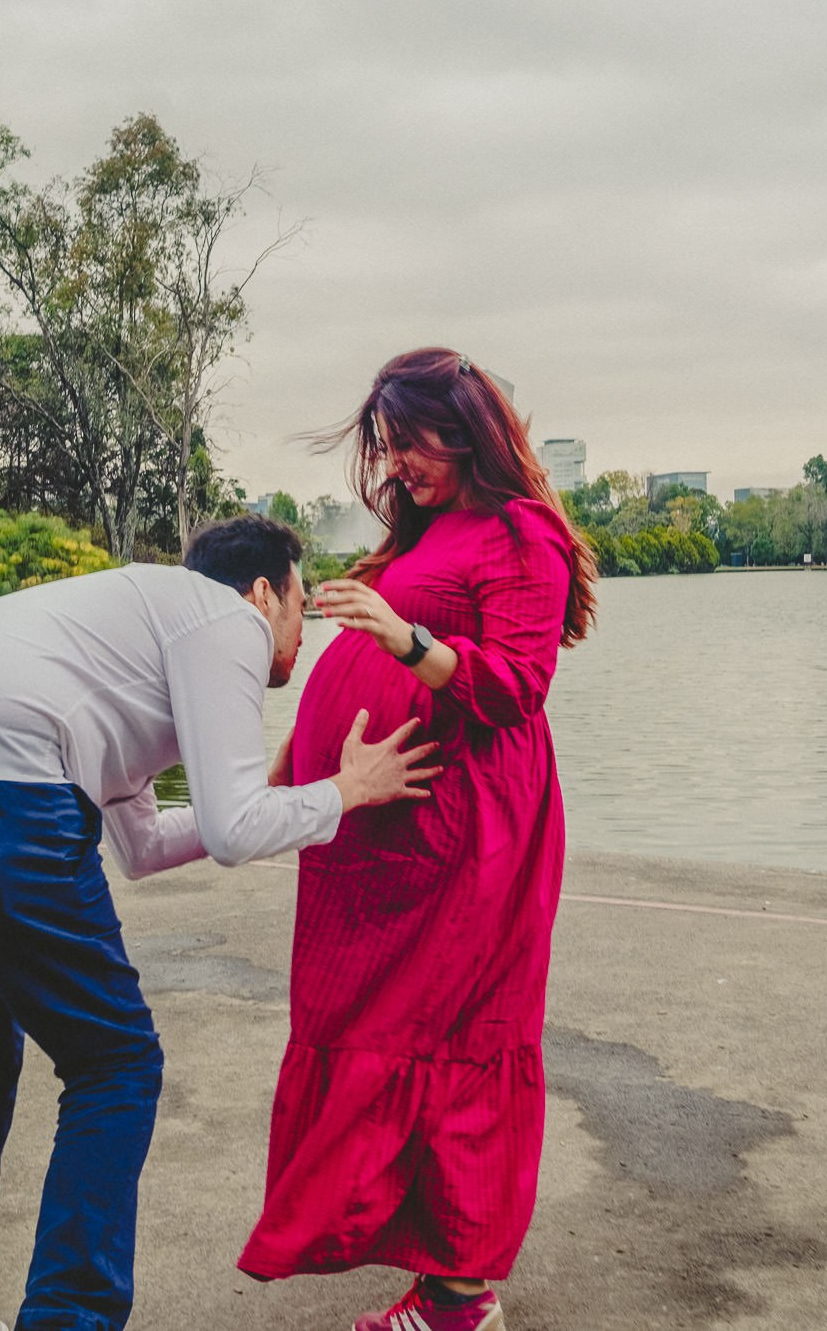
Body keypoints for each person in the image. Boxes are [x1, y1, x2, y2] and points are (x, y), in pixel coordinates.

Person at [0, 514, 439, 1331]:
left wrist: (277, 792)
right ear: (262, 591)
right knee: (116, 1064)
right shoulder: (228, 621)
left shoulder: (140, 628)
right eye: (300, 603)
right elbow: (233, 830)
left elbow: (140, 843)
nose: (300, 630)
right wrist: (346, 792)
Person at [238, 349, 598, 1331]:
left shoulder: (522, 534)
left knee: (455, 1036)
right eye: (387, 448)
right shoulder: (432, 529)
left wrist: (401, 639)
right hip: (383, 834)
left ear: (464, 429)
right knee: (375, 1019)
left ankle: (457, 1298)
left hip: (465, 831)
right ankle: (429, 1269)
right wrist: (294, 766)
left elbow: (515, 688)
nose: (396, 465)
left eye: (409, 444)